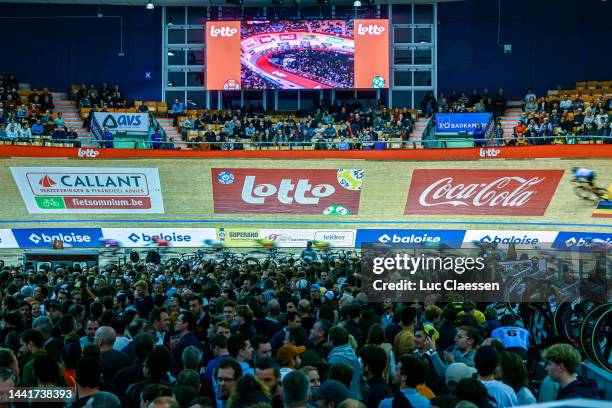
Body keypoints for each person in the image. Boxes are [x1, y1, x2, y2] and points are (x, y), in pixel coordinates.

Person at [327, 326, 362, 400]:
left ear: (331, 342)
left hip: (343, 401)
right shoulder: (354, 356)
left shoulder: (335, 359)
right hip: (356, 399)